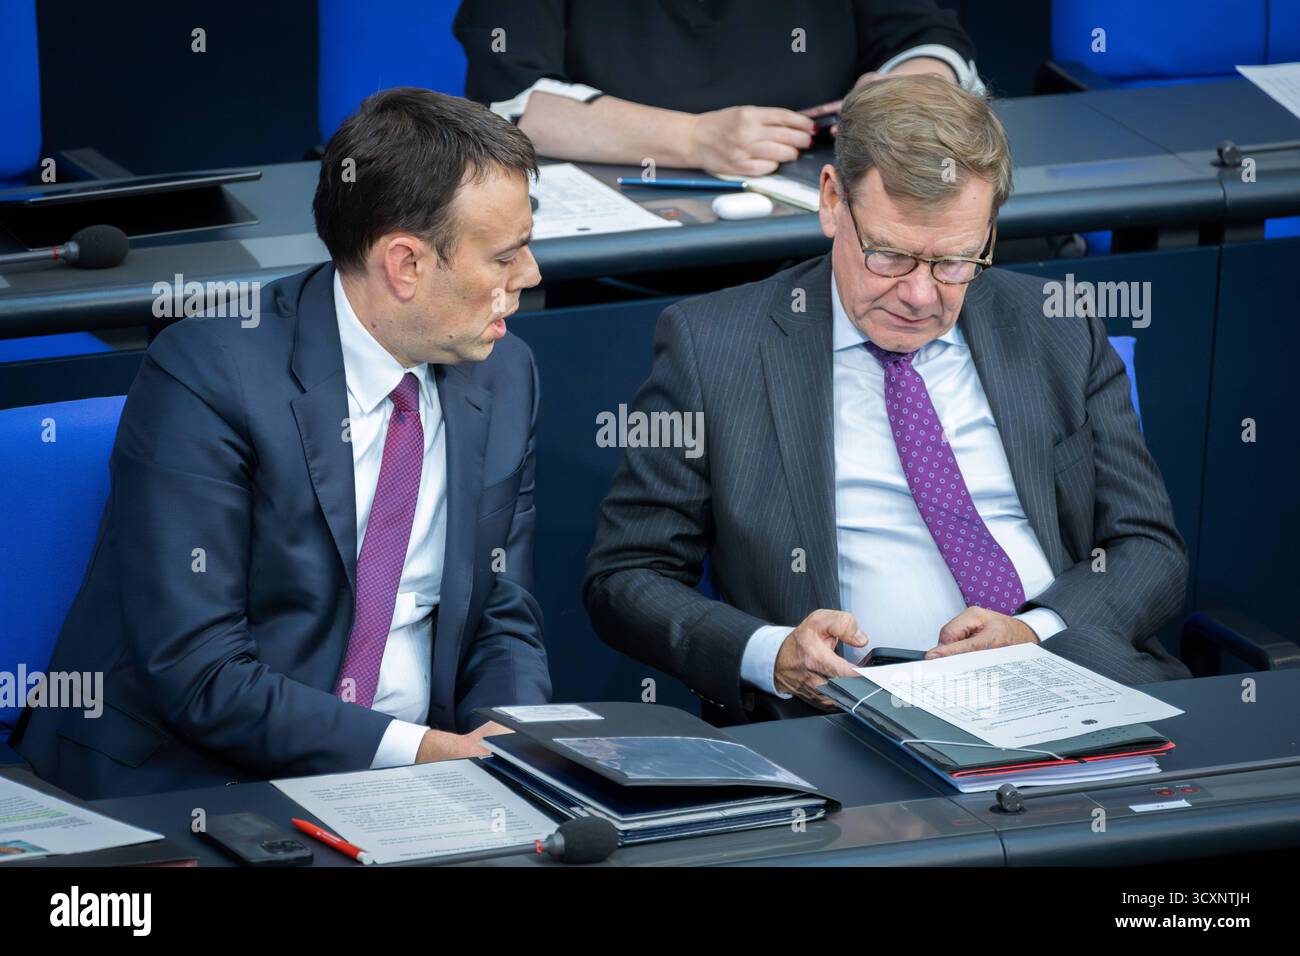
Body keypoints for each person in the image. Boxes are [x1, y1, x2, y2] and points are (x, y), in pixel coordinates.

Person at [583, 75, 1192, 724]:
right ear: (830, 202)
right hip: (852, 717)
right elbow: (627, 574)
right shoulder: (713, 348)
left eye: (956, 261)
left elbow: (1148, 547)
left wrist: (1037, 630)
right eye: (890, 256)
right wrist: (772, 654)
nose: (922, 296)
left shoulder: (1056, 326)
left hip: (1075, 676)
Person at [10, 88, 551, 798]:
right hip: (200, 782)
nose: (531, 275)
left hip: (429, 777)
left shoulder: (505, 373)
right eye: (505, 257)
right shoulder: (208, 375)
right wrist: (417, 752)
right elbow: (200, 673)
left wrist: (508, 743)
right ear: (407, 264)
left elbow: (501, 610)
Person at [454, 0, 984, 176]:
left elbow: (930, 39)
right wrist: (693, 139)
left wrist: (905, 93)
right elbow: (511, 99)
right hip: (617, 258)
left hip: (825, 226)